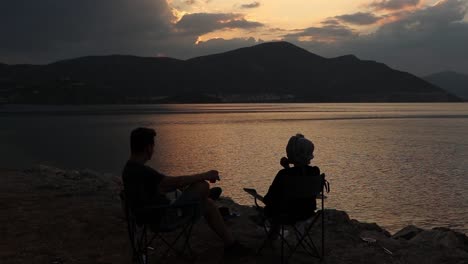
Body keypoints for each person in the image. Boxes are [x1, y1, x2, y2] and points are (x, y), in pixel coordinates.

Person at [122, 127, 248, 256]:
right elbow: (177, 182)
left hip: (149, 216)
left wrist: (181, 185)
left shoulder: (129, 169)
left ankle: (231, 244)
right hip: (165, 218)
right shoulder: (143, 171)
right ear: (148, 148)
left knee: (207, 203)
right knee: (203, 186)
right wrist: (206, 174)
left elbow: (164, 186)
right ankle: (205, 198)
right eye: (153, 146)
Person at [263, 133, 321, 237]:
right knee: (282, 202)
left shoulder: (284, 174)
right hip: (307, 212)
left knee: (276, 204)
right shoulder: (315, 172)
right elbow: (299, 179)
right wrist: (288, 167)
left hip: (286, 215)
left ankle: (273, 235)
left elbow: (268, 198)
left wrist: (287, 167)